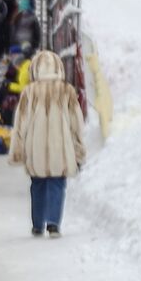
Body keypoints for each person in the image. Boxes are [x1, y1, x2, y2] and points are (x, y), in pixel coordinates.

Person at [8, 50, 85, 237]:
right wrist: (79, 150)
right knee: (58, 184)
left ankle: (37, 224)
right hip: (61, 147)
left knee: (37, 185)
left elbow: (20, 123)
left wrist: (18, 150)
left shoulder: (29, 92)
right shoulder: (67, 90)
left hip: (36, 148)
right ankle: (53, 224)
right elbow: (77, 124)